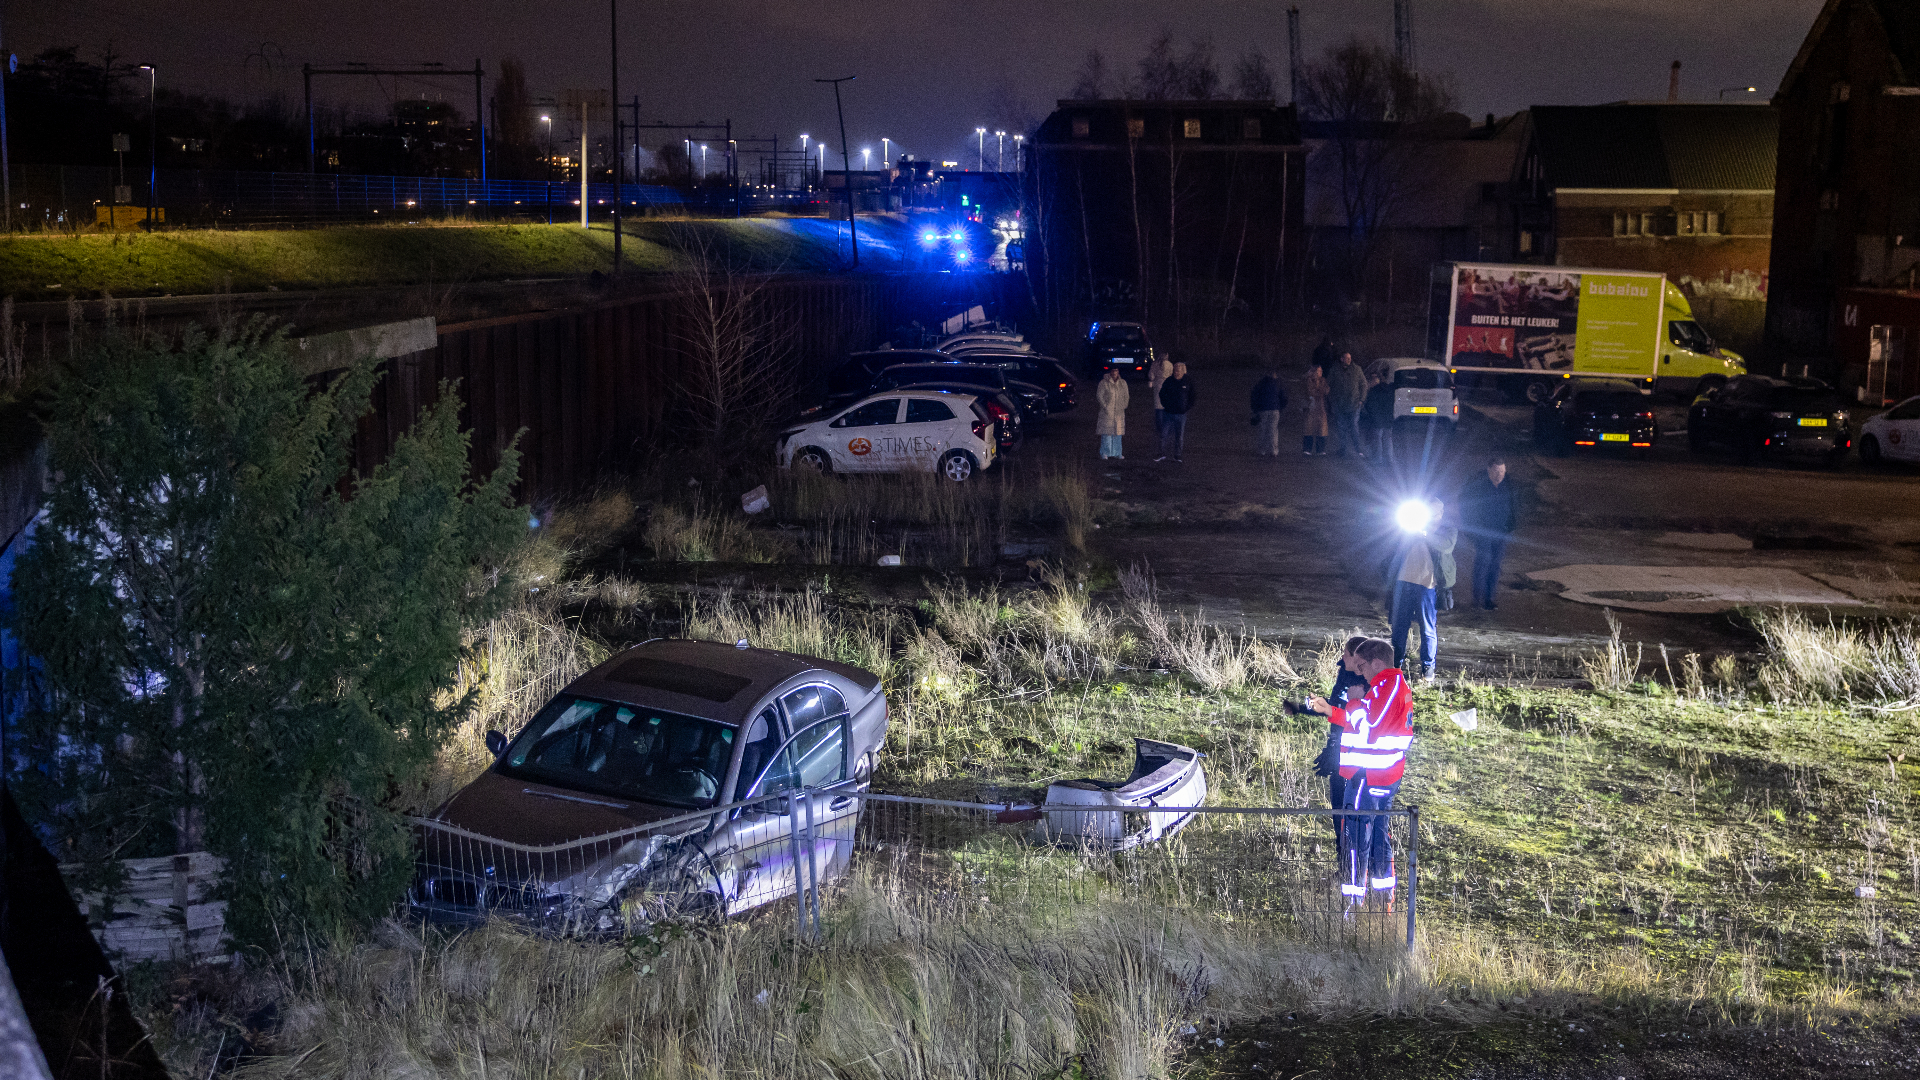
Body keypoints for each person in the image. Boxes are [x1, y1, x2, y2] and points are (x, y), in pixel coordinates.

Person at [1307, 637, 1415, 910]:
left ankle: (1352, 905)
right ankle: (1383, 900)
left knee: (1356, 840)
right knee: (1379, 836)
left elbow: (1369, 727)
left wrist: (1353, 702)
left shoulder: (1388, 687)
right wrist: (1331, 710)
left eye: (1363, 666)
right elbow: (1364, 720)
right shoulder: (1385, 686)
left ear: (1377, 663)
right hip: (1378, 775)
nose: (1360, 671)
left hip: (1369, 777)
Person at [1312, 635, 1373, 840]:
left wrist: (1354, 701)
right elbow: (1339, 711)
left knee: (1357, 819)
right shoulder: (1344, 674)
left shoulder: (1368, 687)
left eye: (1346, 654)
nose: (1342, 658)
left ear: (1358, 659)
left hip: (1359, 764)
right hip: (1341, 755)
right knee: (1339, 812)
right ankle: (1344, 860)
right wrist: (1332, 746)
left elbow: (1359, 723)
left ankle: (1357, 864)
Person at [1389, 497, 1456, 680]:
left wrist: (1424, 533)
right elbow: (1394, 545)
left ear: (1440, 514)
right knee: (1399, 625)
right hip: (1404, 581)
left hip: (1428, 584)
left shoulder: (1447, 530)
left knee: (1427, 628)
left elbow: (1446, 546)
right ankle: (1395, 664)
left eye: (1434, 512)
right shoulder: (1411, 527)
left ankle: (1428, 668)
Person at [1457, 455, 1517, 610]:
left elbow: (1515, 505)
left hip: (1500, 533)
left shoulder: (1508, 484)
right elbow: (1465, 506)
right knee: (1483, 564)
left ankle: (1489, 599)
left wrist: (1510, 525)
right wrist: (1472, 529)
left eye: (1502, 472)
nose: (1500, 475)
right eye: (1497, 472)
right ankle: (1477, 599)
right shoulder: (1477, 485)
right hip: (1483, 533)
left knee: (1495, 565)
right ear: (1489, 470)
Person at [1326, 351, 1369, 458]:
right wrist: (1332, 401)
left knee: (1354, 427)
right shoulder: (1335, 370)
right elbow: (1328, 385)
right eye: (1346, 358)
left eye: (1350, 358)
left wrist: (1361, 400)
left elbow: (1364, 384)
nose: (1349, 360)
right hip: (1339, 405)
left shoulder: (1357, 369)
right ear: (1342, 359)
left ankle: (1358, 450)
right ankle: (1343, 449)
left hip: (1354, 404)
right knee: (1341, 429)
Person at [1157, 362, 1195, 462]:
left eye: (1178, 371)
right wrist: (1166, 404)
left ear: (1183, 371)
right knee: (1163, 434)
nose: (1176, 372)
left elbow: (1193, 396)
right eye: (1175, 370)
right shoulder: (1169, 381)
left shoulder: (1188, 381)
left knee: (1179, 436)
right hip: (1168, 413)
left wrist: (1186, 407)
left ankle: (1177, 455)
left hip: (1181, 414)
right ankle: (1161, 453)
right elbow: (1162, 393)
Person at [1249, 368, 1288, 457]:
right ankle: (1274, 450)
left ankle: (1262, 450)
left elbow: (1254, 397)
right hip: (1275, 410)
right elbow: (1284, 398)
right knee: (1273, 430)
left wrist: (1255, 410)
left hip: (1263, 409)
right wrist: (1280, 407)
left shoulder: (1260, 384)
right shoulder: (1278, 384)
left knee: (1263, 430)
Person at [1096, 367, 1130, 460]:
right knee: (1107, 433)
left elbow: (1126, 395)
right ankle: (1105, 452)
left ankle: (1117, 452)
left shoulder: (1122, 383)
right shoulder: (1104, 383)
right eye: (1113, 370)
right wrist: (1105, 406)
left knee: (1117, 432)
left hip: (1119, 412)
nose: (1115, 372)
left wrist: (1124, 405)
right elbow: (1100, 395)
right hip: (1108, 412)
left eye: (1116, 370)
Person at [1362, 369, 1396, 463]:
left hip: (1377, 420)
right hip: (1388, 419)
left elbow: (1370, 406)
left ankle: (1377, 459)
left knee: (1377, 440)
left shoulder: (1373, 391)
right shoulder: (1389, 389)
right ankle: (1389, 459)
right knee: (1387, 440)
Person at [1302, 363, 1330, 455]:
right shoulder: (1309, 380)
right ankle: (1307, 449)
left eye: (1321, 371)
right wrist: (1319, 391)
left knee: (1321, 429)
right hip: (1311, 408)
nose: (1321, 373)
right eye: (1319, 371)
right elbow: (1309, 391)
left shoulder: (1323, 380)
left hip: (1321, 408)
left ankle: (1320, 449)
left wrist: (1320, 390)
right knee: (1309, 428)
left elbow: (1326, 390)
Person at [1149, 351, 1175, 443]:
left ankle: (1160, 428)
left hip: (1158, 385)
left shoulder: (1155, 364)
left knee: (1158, 407)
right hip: (1167, 385)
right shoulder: (1170, 364)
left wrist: (1152, 380)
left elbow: (1151, 375)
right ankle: (1168, 427)